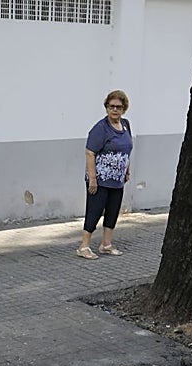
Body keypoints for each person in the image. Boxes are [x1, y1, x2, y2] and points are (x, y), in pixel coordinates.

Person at [78, 90, 133, 260]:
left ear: (124, 109)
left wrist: (127, 169)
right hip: (100, 179)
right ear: (107, 108)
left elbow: (127, 149)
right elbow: (89, 153)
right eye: (111, 107)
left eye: (118, 107)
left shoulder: (125, 125)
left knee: (112, 211)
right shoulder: (101, 128)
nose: (115, 110)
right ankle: (84, 246)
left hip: (117, 179)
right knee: (94, 211)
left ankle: (106, 244)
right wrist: (92, 178)